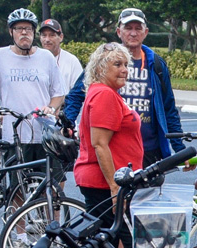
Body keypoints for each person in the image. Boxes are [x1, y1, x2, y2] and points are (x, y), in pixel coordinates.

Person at [64, 8, 186, 170]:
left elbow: (168, 108)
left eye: (138, 28)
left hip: (150, 150)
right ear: (119, 32)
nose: (133, 33)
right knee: (117, 195)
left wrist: (179, 148)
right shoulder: (104, 61)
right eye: (128, 28)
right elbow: (76, 95)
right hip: (115, 150)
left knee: (151, 195)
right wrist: (67, 125)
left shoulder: (156, 64)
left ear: (146, 32)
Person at [73, 43, 145, 248]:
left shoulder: (103, 92)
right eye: (117, 64)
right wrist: (115, 188)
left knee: (103, 247)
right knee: (125, 246)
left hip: (105, 183)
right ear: (100, 68)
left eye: (126, 64)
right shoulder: (104, 94)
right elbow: (99, 144)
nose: (125, 69)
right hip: (106, 185)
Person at [0, 9, 68, 185]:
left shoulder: (46, 57)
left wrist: (51, 108)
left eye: (28, 29)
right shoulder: (0, 56)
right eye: (19, 28)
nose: (24, 32)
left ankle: (51, 214)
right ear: (11, 32)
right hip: (15, 136)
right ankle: (18, 213)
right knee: (17, 188)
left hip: (45, 134)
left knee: (54, 188)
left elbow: (59, 93)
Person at [38, 19, 82, 91]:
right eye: (44, 35)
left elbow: (78, 92)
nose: (47, 39)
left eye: (52, 35)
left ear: (61, 37)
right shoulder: (33, 60)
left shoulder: (72, 61)